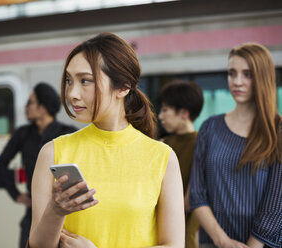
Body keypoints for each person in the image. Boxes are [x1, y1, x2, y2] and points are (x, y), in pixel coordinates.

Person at [27, 32, 185, 248]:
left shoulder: (162, 158)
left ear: (123, 87)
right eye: (68, 81)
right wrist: (56, 211)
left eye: (85, 81)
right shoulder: (52, 152)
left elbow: (174, 245)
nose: (72, 93)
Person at [189, 42, 282, 248]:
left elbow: (276, 204)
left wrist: (251, 246)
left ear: (263, 78)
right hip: (213, 242)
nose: (237, 82)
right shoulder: (210, 127)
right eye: (232, 73)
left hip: (263, 244)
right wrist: (222, 241)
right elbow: (197, 193)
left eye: (247, 74)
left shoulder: (278, 130)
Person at [0, 82, 77, 248]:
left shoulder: (68, 133)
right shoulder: (23, 134)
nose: (25, 107)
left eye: (30, 103)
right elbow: (2, 164)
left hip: (64, 211)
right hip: (32, 211)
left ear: (43, 107)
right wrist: (15, 194)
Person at [157, 80, 204, 248]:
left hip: (184, 236)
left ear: (184, 113)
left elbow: (190, 201)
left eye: (165, 110)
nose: (160, 116)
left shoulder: (202, 143)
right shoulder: (162, 143)